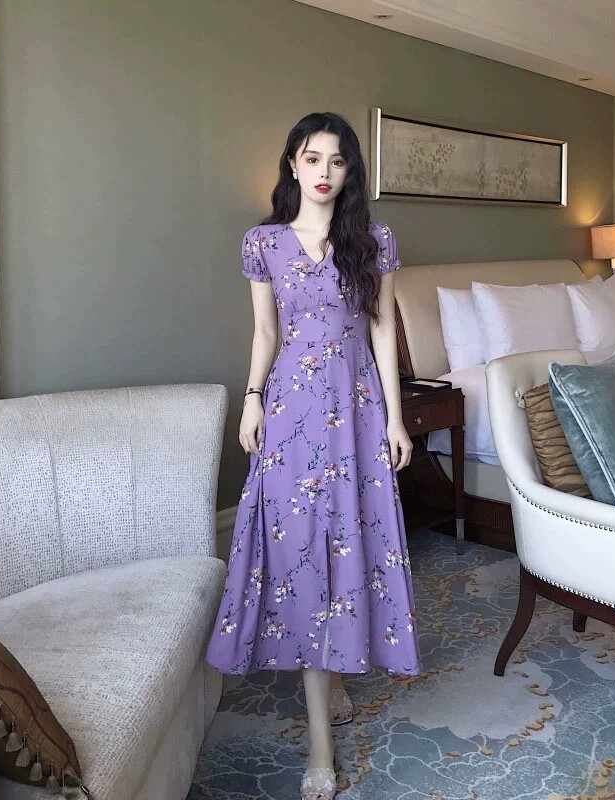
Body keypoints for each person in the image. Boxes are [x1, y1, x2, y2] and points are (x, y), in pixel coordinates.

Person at [204, 111, 421, 800]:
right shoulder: (263, 243)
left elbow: (382, 331)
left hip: (355, 415)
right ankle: (320, 746)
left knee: (347, 541)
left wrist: (395, 419)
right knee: (300, 551)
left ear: (349, 170)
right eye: (312, 158)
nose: (324, 171)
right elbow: (265, 332)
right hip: (291, 417)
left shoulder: (373, 241)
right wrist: (251, 399)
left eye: (337, 160)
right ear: (292, 165)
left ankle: (333, 669)